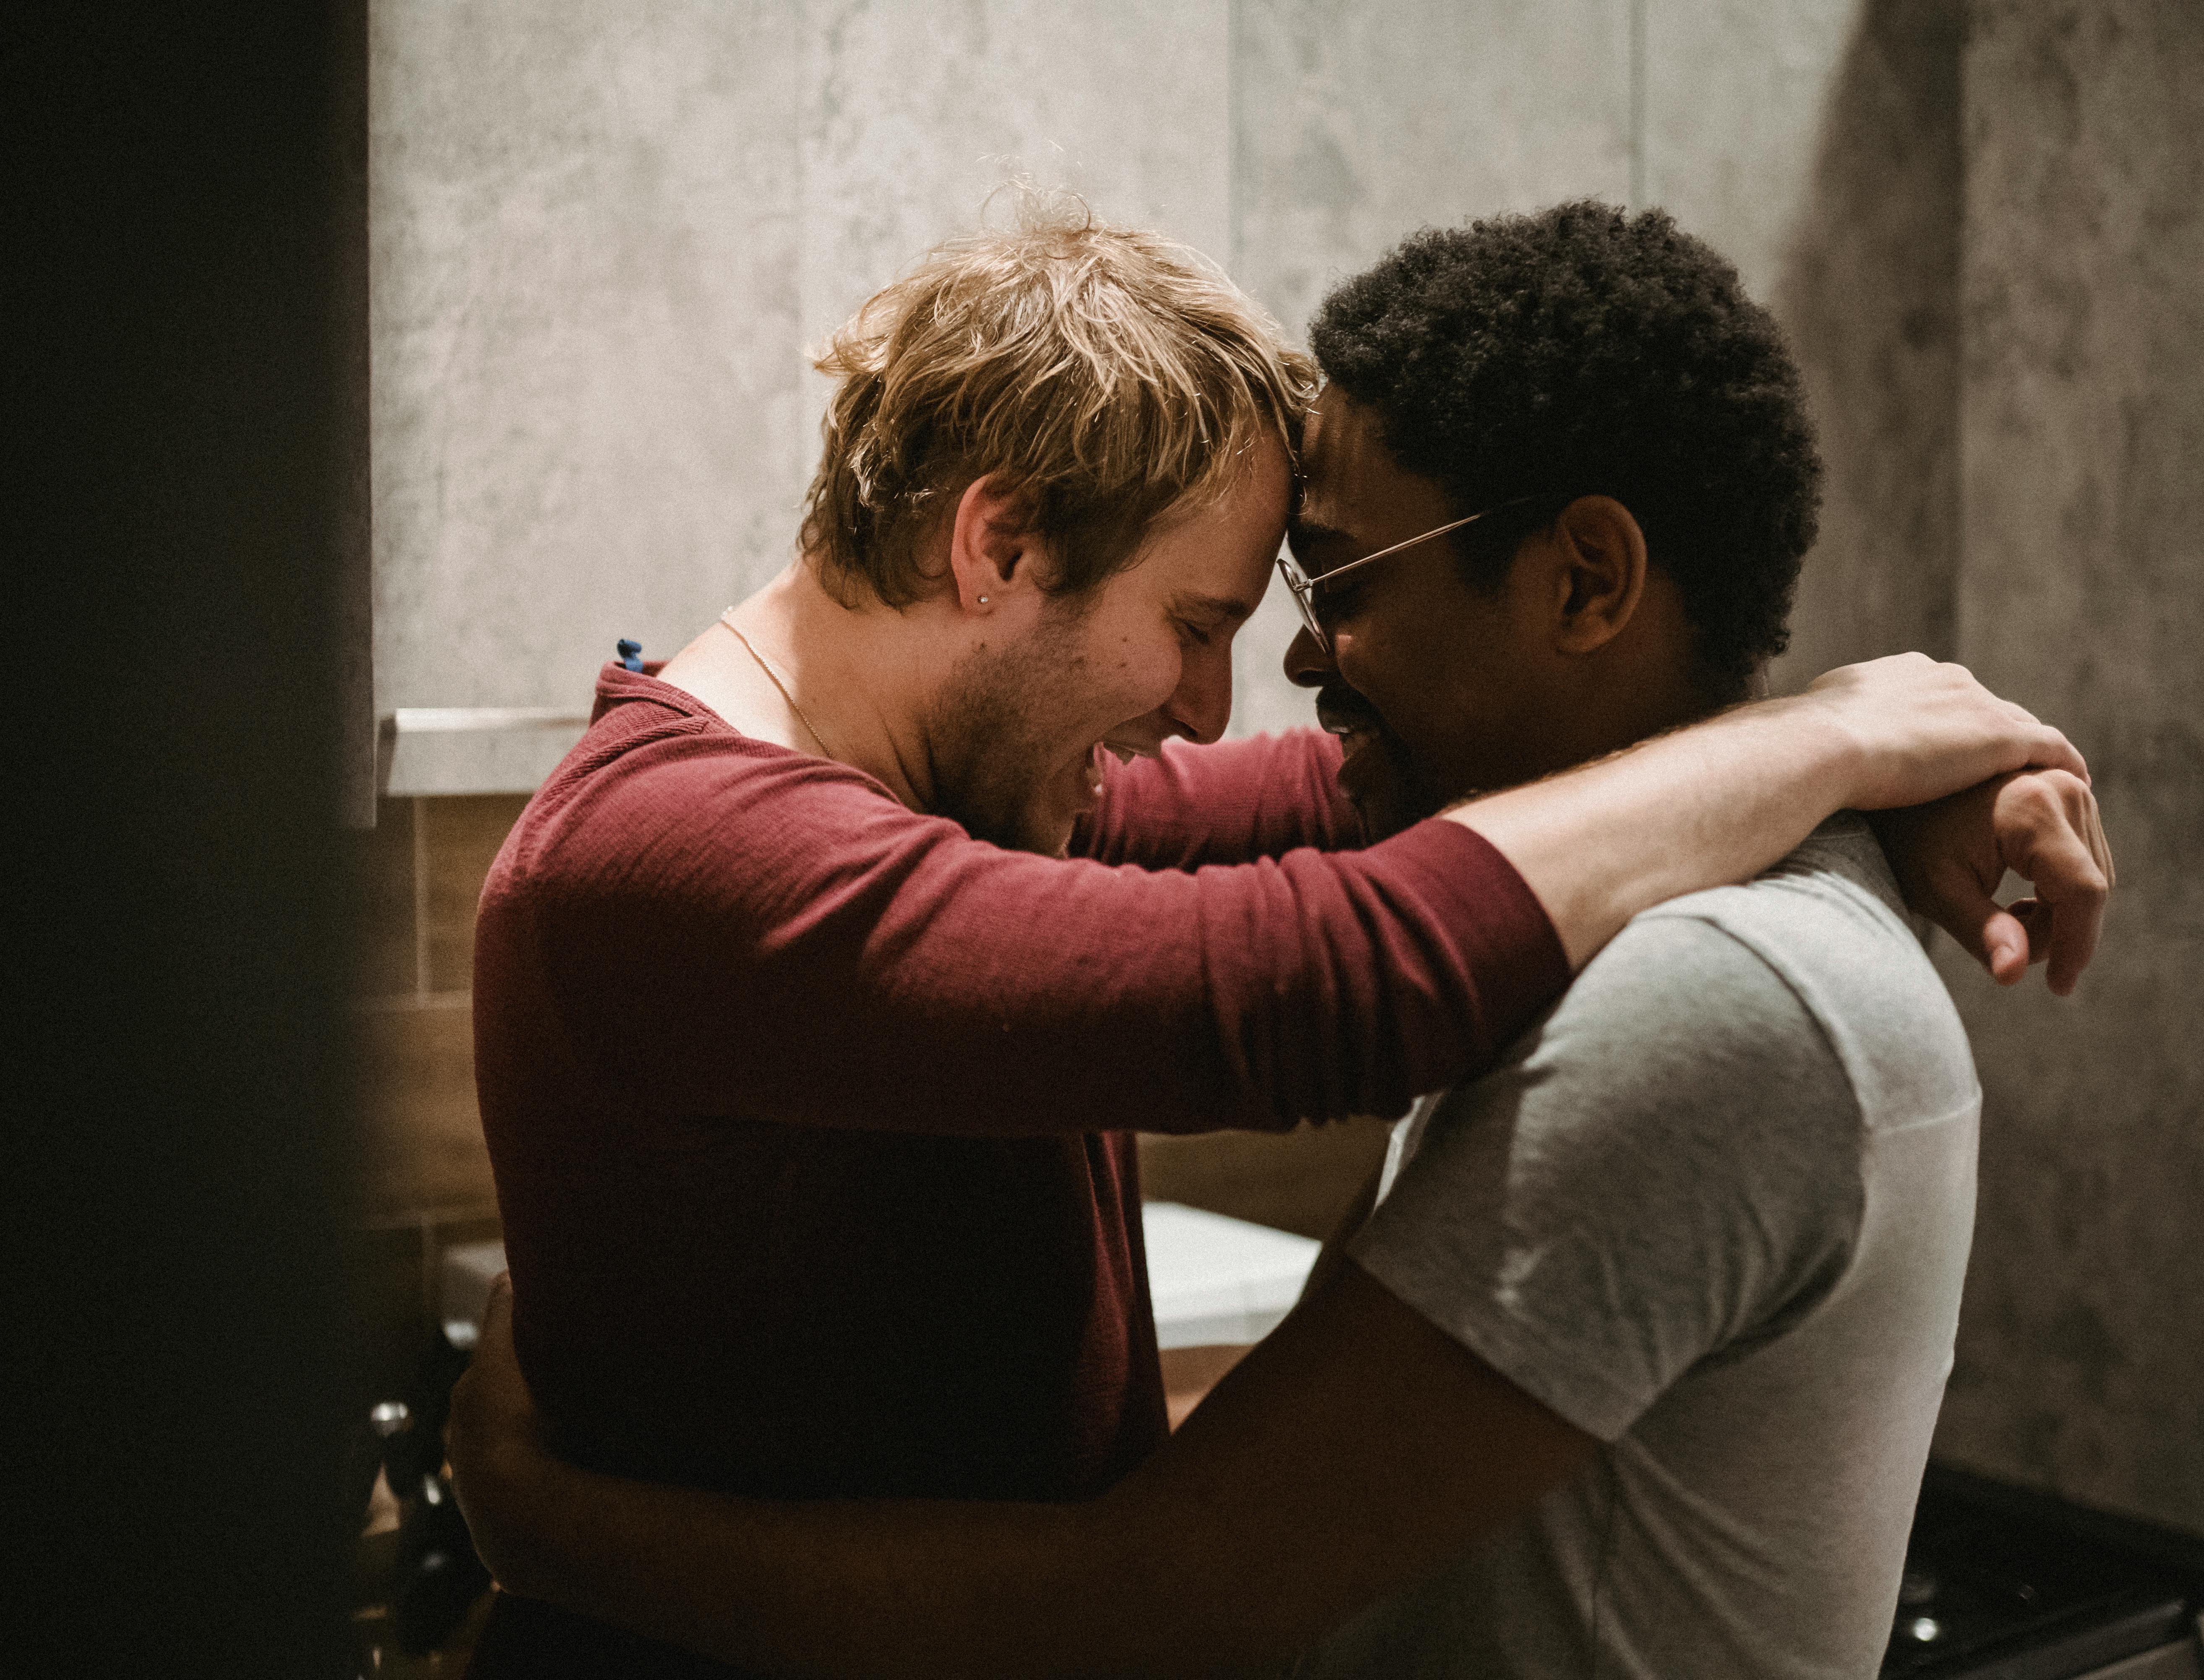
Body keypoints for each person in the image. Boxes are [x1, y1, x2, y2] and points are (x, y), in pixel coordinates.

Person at [447, 203, 2115, 1677]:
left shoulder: (933, 795)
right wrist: (1834, 740)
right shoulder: (676, 856)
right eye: (1202, 625)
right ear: (1001, 545)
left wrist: (1879, 770)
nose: (1209, 706)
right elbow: (1311, 977)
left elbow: (1355, 801)